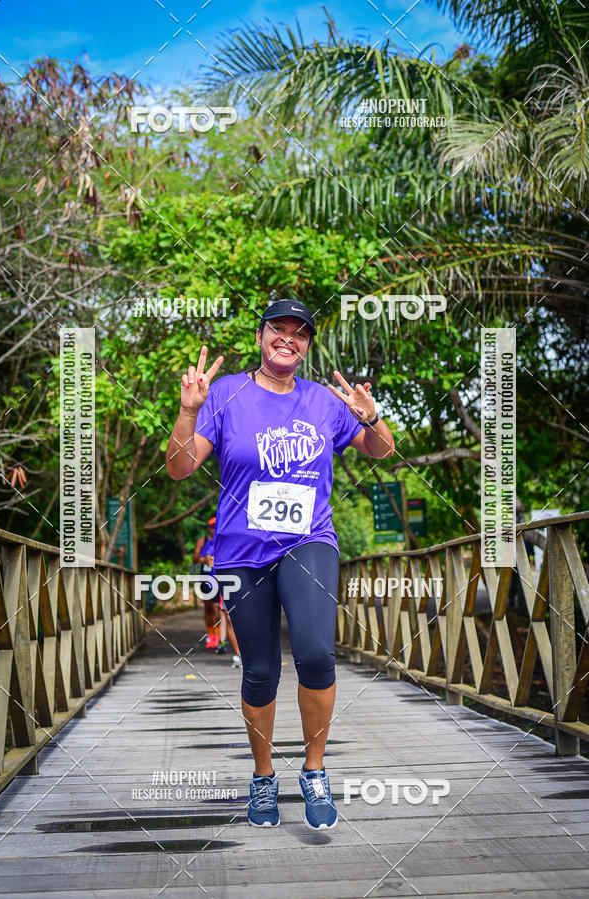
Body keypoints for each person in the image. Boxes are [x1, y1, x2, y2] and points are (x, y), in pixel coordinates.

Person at [166, 299, 394, 830]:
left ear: (308, 344)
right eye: (279, 329)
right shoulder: (225, 394)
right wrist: (188, 410)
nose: (288, 338)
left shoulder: (323, 401)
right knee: (262, 670)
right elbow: (178, 468)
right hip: (242, 551)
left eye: (300, 333)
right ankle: (264, 776)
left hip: (308, 540)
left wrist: (372, 417)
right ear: (262, 336)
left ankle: (314, 770)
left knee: (316, 654)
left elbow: (380, 450)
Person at [192, 517, 220, 649]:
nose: (213, 529)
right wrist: (205, 559)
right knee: (208, 607)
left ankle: (219, 637)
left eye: (215, 526)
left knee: (219, 608)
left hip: (219, 576)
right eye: (211, 526)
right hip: (205, 576)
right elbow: (195, 559)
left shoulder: (222, 539)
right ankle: (210, 635)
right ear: (208, 528)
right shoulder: (202, 541)